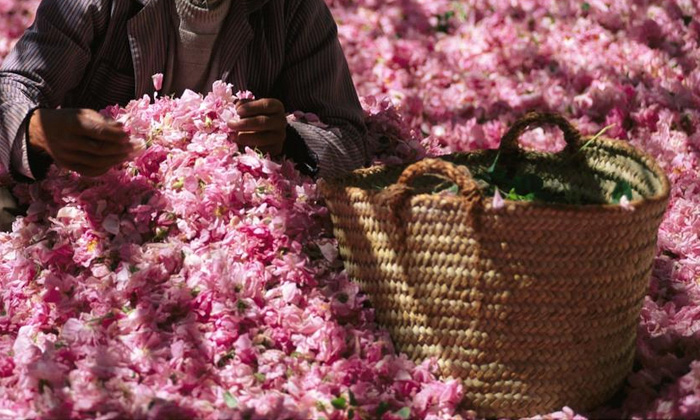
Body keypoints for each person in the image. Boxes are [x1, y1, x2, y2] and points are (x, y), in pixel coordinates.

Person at [0, 0, 370, 186]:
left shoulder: (293, 10)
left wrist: (290, 141)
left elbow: (349, 137)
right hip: (106, 211)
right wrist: (38, 129)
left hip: (233, 240)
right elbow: (12, 87)